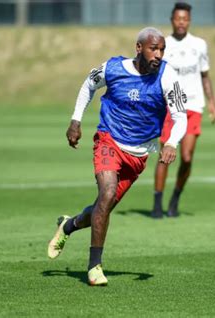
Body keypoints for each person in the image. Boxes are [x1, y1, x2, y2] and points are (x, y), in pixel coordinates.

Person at [47, 27, 187, 286]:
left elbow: (180, 116)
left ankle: (69, 225)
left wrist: (171, 142)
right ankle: (94, 267)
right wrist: (75, 121)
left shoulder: (168, 76)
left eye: (161, 49)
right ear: (138, 48)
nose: (158, 54)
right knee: (107, 193)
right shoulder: (113, 68)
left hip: (139, 155)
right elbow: (88, 84)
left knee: (104, 205)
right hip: (108, 140)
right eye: (153, 49)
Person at [151, 2, 215, 218]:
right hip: (170, 107)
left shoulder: (199, 44)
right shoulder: (163, 45)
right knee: (165, 155)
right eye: (178, 18)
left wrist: (212, 102)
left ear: (189, 21)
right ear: (172, 20)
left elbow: (205, 76)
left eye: (185, 19)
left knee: (187, 157)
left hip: (193, 106)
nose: (182, 22)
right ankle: (157, 203)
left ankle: (175, 198)